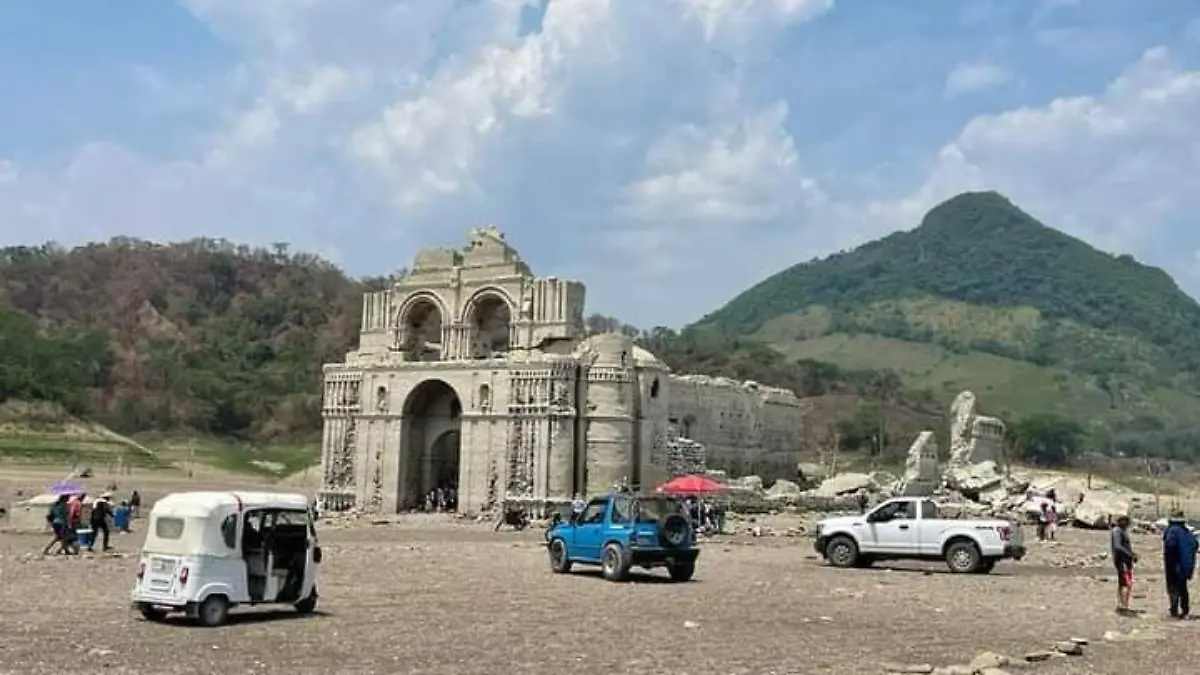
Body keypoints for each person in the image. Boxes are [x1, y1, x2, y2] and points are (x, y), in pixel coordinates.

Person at [1163, 511, 1197, 618]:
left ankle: (1174, 609)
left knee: (1173, 588)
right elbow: (1195, 545)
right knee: (1183, 588)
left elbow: (1170, 545)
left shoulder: (1172, 531)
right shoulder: (1187, 532)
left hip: (1173, 565)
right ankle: (1185, 609)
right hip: (1185, 566)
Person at [1111, 514, 1138, 613]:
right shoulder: (1117, 531)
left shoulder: (1122, 531)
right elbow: (1118, 546)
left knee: (1123, 583)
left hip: (1125, 561)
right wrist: (1131, 555)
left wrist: (1132, 555)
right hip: (1122, 561)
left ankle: (1121, 604)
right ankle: (1123, 606)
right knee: (1126, 584)